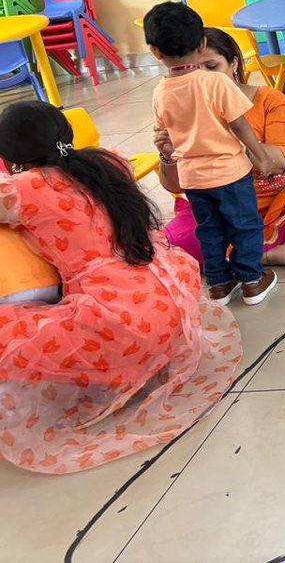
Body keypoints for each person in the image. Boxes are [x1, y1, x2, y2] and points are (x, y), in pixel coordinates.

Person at [0, 101, 241, 474]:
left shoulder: (25, 188)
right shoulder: (107, 162)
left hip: (119, 322)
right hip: (168, 303)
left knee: (11, 333)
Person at [156, 28, 285, 272]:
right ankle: (268, 254)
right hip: (219, 206)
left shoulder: (268, 100)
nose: (203, 79)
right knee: (175, 241)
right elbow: (175, 186)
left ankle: (240, 254)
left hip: (280, 199)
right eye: (195, 70)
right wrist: (169, 154)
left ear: (233, 64)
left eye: (211, 67)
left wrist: (230, 136)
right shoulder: (181, 108)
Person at [144, 2, 281, 306]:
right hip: (230, 173)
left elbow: (164, 135)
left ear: (155, 51)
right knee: (245, 224)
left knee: (210, 229)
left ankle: (218, 284)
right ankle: (252, 281)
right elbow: (240, 124)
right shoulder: (215, 82)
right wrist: (261, 156)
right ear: (202, 43)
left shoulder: (160, 92)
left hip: (193, 179)